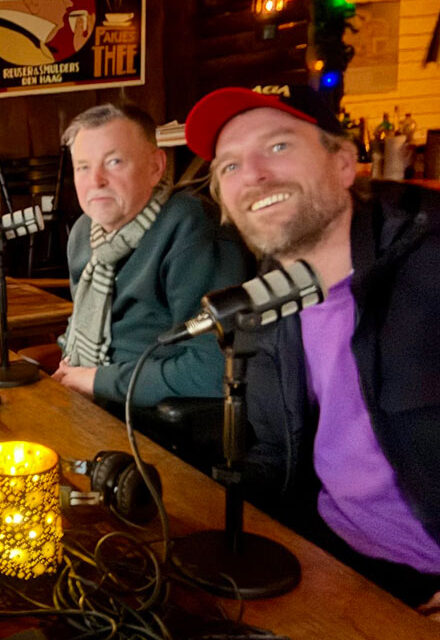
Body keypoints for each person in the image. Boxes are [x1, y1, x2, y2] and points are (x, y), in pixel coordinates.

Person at [185, 84, 440, 613]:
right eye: (229, 166)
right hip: (326, 550)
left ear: (345, 163)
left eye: (278, 147)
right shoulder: (267, 297)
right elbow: (280, 453)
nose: (253, 174)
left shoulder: (430, 264)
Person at [54, 103, 246, 408]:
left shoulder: (190, 227)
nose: (96, 181)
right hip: (87, 395)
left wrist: (96, 380)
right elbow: (81, 325)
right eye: (83, 167)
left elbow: (213, 371)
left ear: (156, 167)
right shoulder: (83, 232)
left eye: (114, 162)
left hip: (150, 421)